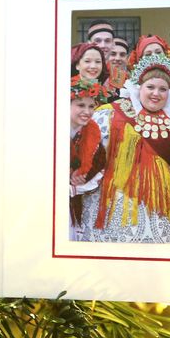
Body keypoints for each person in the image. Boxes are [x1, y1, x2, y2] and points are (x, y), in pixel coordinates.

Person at [86, 54, 170, 243]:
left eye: (162, 89)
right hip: (121, 203)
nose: (156, 93)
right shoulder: (112, 113)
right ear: (139, 87)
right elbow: (89, 153)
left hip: (164, 206)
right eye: (150, 87)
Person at [67, 77, 106, 241]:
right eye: (81, 105)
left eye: (91, 106)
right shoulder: (52, 131)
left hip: (76, 200)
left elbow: (100, 168)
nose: (87, 111)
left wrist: (79, 185)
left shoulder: (93, 135)